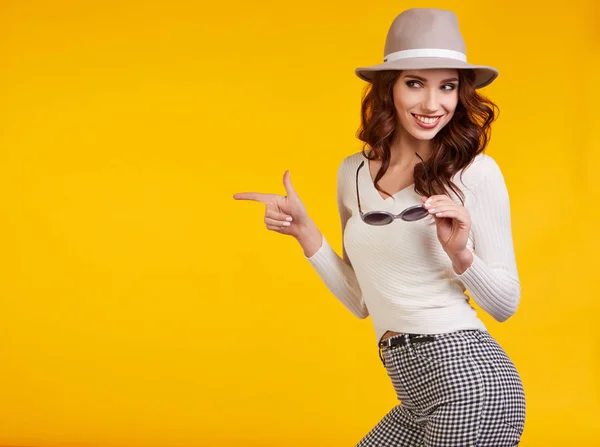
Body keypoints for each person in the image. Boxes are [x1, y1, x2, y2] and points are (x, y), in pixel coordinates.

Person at [233, 7, 525, 447]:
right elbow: (362, 301)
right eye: (415, 83)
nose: (432, 104)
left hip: (470, 382)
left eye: (447, 86)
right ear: (388, 89)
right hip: (413, 391)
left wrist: (461, 256)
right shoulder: (351, 173)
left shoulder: (475, 173)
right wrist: (306, 233)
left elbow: (505, 304)